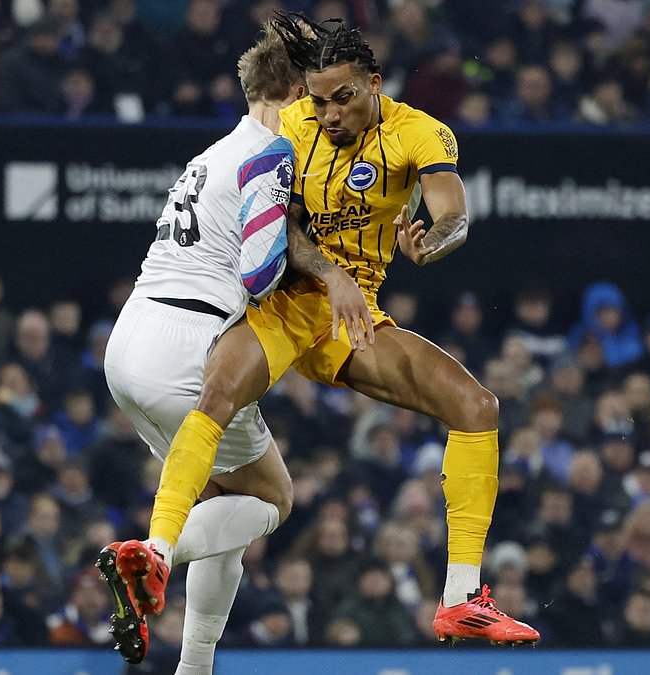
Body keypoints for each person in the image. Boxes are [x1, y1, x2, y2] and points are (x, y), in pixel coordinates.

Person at [113, 10, 538, 655]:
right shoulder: (289, 127)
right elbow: (273, 224)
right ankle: (159, 552)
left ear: (374, 82)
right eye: (318, 100)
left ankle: (461, 599)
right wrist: (330, 272)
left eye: (343, 98)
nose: (329, 114)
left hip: (351, 322)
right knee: (217, 397)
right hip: (285, 305)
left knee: (476, 406)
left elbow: (452, 209)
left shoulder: (419, 132)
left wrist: (438, 239)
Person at [96, 21, 307, 669]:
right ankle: (154, 555)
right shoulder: (271, 153)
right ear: (293, 91)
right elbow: (258, 270)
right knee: (274, 498)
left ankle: (194, 666)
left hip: (130, 341)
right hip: (192, 348)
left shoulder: (209, 153)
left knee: (222, 503)